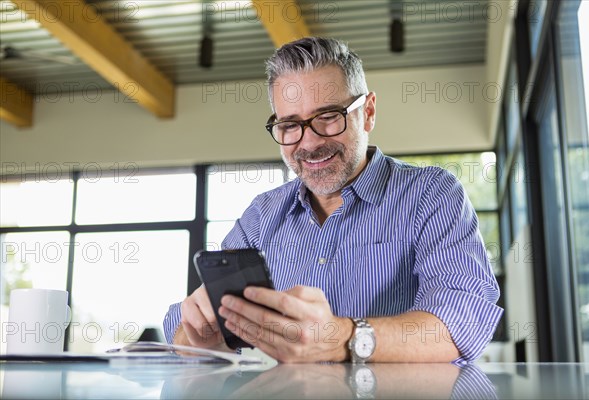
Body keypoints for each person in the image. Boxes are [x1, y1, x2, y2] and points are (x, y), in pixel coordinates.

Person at [163, 37, 503, 363]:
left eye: (328, 117)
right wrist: (202, 338)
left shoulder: (432, 194)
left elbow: (463, 320)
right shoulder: (261, 215)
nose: (309, 143)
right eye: (290, 125)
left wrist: (340, 337)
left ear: (368, 112)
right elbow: (183, 331)